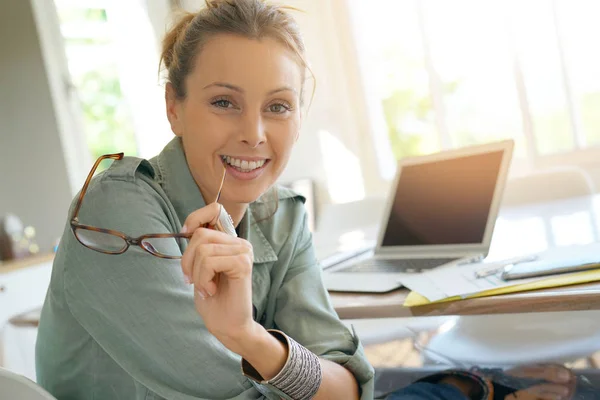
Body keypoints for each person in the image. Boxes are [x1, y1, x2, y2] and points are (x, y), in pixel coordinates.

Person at [35, 1, 581, 399]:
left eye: (278, 106)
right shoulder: (115, 212)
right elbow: (239, 393)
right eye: (224, 102)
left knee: (568, 386)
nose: (254, 133)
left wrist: (249, 338)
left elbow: (348, 380)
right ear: (174, 108)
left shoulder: (279, 214)